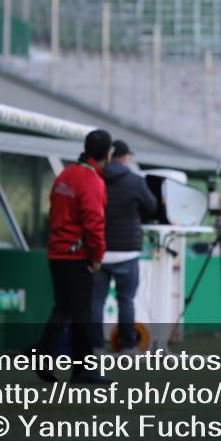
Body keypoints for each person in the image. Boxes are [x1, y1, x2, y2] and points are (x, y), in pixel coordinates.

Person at [37, 129, 113, 383]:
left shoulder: (65, 175)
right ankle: (82, 369)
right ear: (107, 153)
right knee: (82, 312)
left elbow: (54, 209)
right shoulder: (92, 180)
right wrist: (96, 256)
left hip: (56, 253)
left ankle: (43, 353)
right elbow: (94, 223)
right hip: (76, 256)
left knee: (63, 309)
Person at [92, 139, 157, 355]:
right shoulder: (135, 181)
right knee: (126, 301)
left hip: (99, 252)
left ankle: (95, 347)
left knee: (96, 302)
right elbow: (152, 206)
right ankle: (128, 347)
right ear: (125, 157)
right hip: (127, 251)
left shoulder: (95, 178)